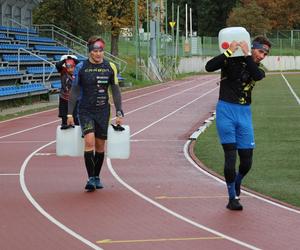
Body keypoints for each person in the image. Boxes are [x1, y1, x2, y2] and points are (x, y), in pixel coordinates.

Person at [205, 36, 271, 210]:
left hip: (244, 114)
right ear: (253, 47)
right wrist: (229, 51)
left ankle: (238, 181)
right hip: (226, 111)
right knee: (230, 157)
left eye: (265, 53)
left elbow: (256, 75)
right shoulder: (231, 61)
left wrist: (248, 54)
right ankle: (232, 198)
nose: (262, 56)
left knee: (247, 161)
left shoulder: (258, 67)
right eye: (260, 51)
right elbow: (209, 67)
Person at [67, 36, 124, 192]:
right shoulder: (81, 67)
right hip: (85, 110)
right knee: (89, 142)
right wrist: (69, 114)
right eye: (95, 51)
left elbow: (116, 91)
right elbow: (74, 91)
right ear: (90, 52)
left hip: (103, 111)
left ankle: (96, 177)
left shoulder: (110, 66)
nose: (98, 54)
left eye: (101, 51)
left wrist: (119, 112)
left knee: (100, 147)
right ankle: (90, 177)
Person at [55, 55, 80, 129]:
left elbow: (80, 64)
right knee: (64, 119)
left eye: (72, 67)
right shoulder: (63, 71)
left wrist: (73, 59)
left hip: (75, 99)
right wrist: (65, 59)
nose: (70, 70)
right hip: (64, 98)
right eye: (68, 67)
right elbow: (58, 65)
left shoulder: (78, 72)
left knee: (76, 119)